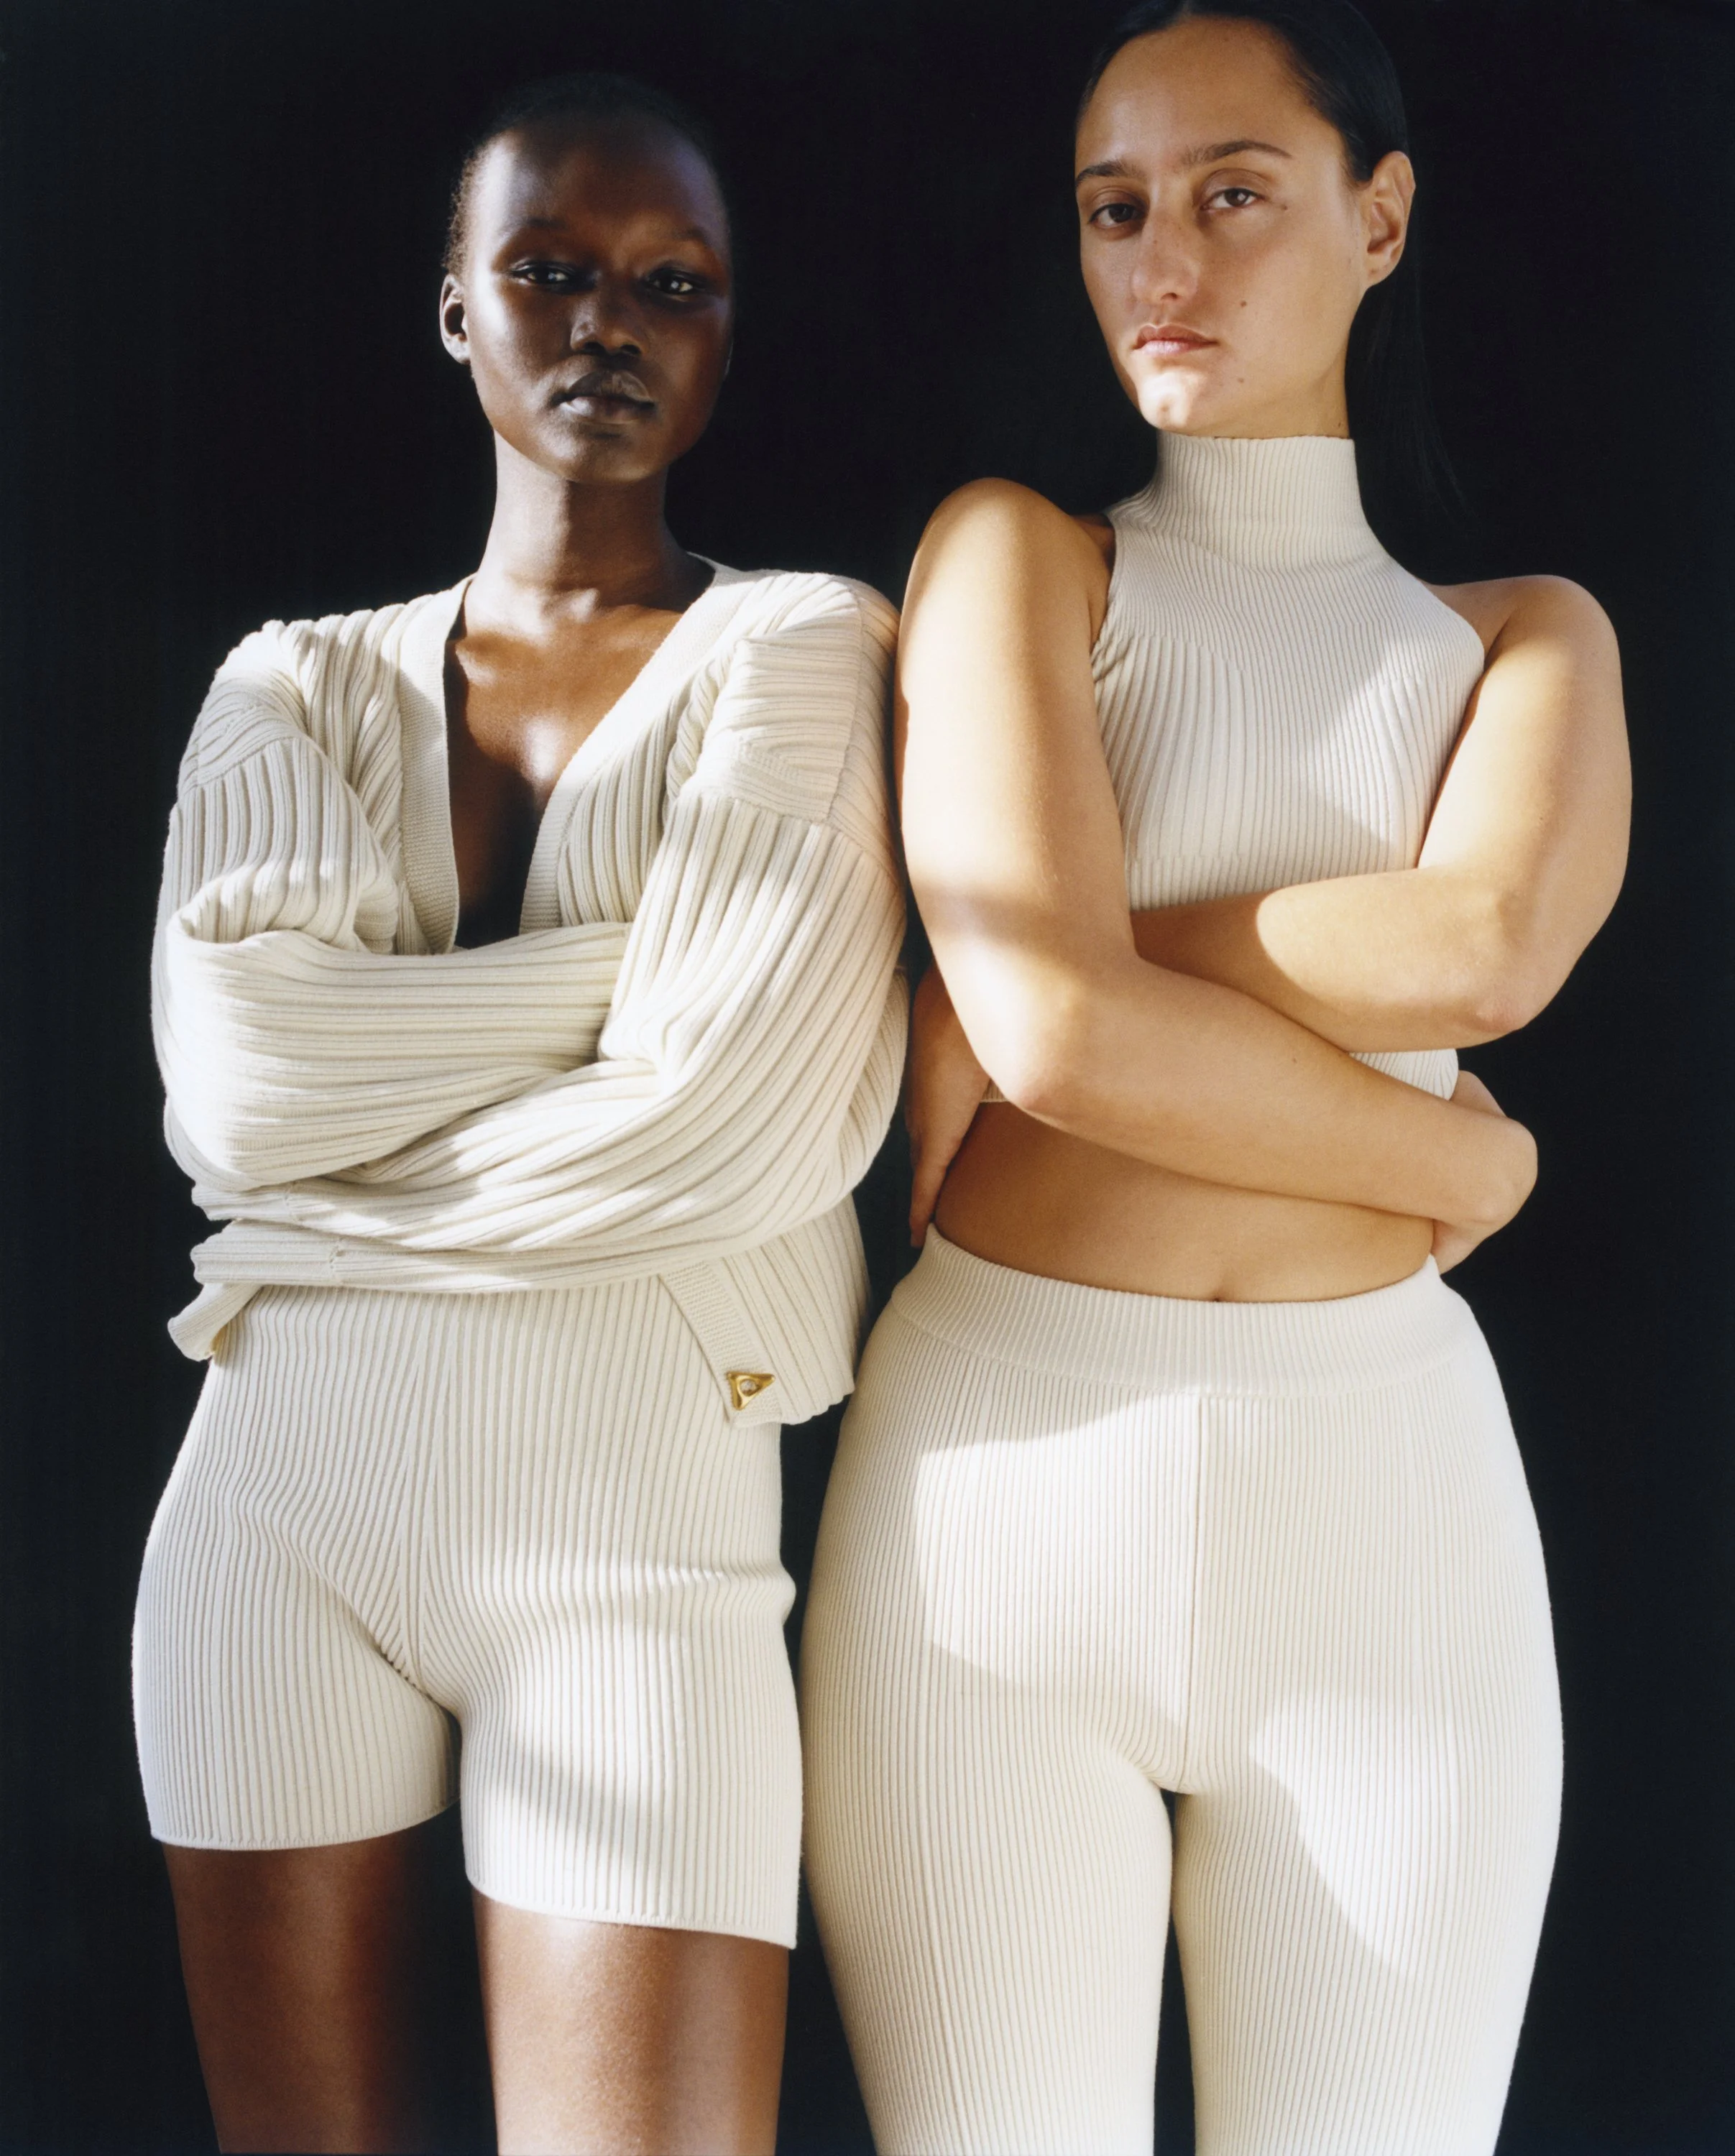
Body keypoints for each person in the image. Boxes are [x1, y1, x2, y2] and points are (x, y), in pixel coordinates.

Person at [800, 4, 1629, 2152]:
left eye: (1233, 196)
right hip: (996, 1502)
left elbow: (1483, 946)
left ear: (1382, 217)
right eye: (1116, 210)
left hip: (1388, 1527)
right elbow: (1062, 1030)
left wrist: (1036, 946)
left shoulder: (1522, 638)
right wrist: (1467, 1165)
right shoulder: (1016, 551)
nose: (1162, 262)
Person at [134, 73, 903, 2156]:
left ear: (727, 330)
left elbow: (737, 1124)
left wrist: (321, 1200)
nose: (609, 325)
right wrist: (646, 983)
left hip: (633, 1548)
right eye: (550, 271)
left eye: (673, 284)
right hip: (272, 1521)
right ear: (457, 306)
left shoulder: (799, 646)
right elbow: (244, 1079)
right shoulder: (290, 683)